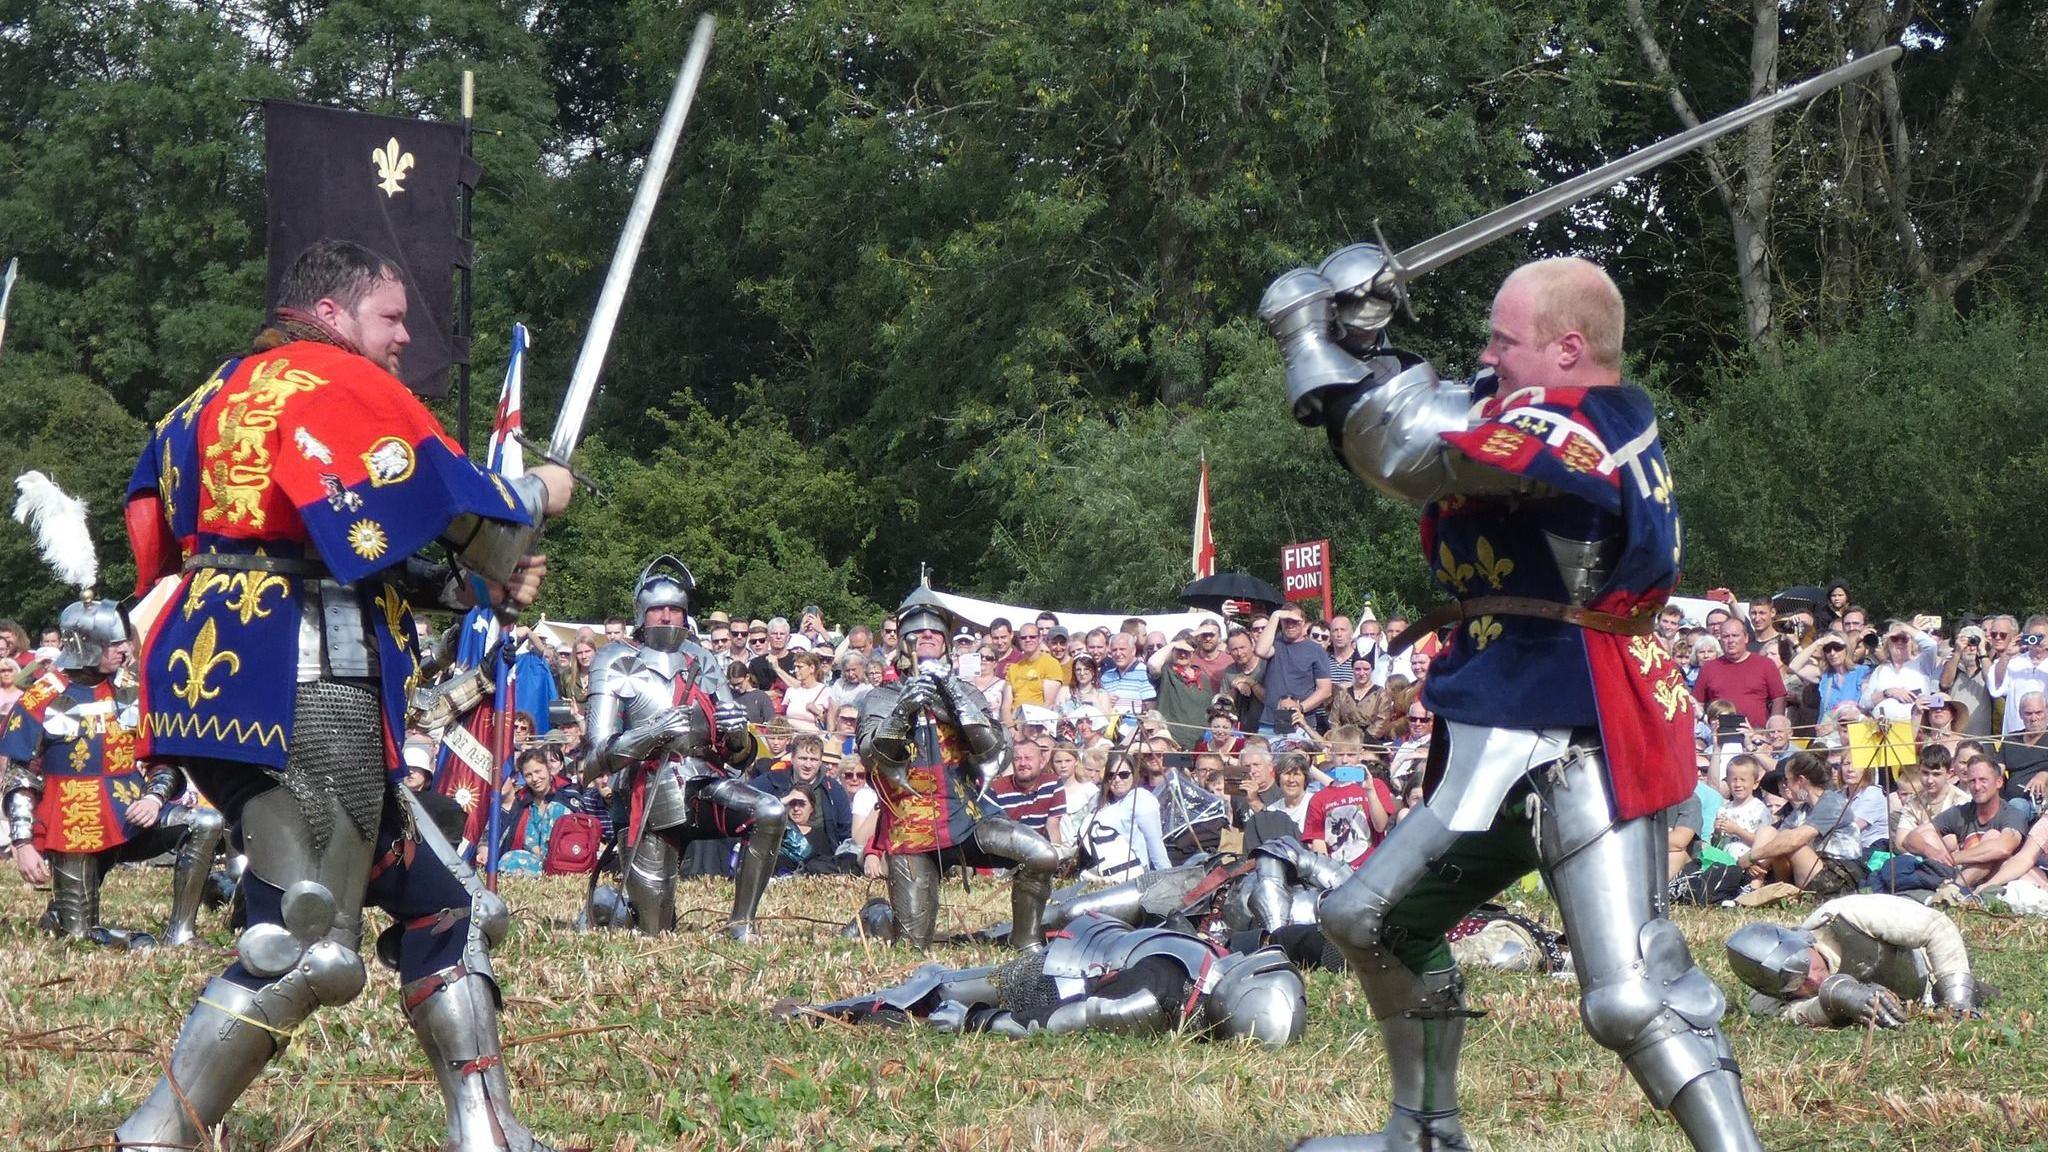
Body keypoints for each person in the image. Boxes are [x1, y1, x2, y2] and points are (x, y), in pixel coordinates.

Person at [1261, 255, 1759, 1150]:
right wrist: (1362, 332)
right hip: (1498, 723)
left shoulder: (1589, 429)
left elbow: (1415, 452)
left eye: (1504, 336)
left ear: (1569, 349)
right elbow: (1441, 406)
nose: (1486, 352)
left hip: (1581, 726)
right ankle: (1424, 1132)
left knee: (1629, 993)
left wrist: (1307, 338)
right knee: (1365, 917)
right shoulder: (1540, 407)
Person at [115, 240, 575, 1152]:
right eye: (392, 316)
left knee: (444, 903)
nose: (407, 337)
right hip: (303, 676)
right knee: (305, 942)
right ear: (331, 312)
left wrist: (469, 587)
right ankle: (157, 1133)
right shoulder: (329, 379)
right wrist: (537, 492)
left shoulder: (207, 396)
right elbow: (446, 493)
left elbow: (309, 539)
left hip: (219, 665)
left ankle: (487, 1132)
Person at [2, 573, 224, 947]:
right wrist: (23, 843)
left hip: (131, 812)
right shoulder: (42, 697)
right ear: (86, 644)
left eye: (124, 641)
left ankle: (181, 933)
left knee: (206, 820)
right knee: (79, 937)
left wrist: (154, 798)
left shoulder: (131, 691)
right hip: (75, 824)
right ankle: (69, 917)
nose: (125, 649)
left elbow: (162, 762)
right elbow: (21, 777)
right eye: (114, 643)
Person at [582, 557, 776, 939]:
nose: (668, 617)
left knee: (769, 811)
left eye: (676, 610)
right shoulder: (614, 660)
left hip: (702, 783)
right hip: (644, 793)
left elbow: (735, 754)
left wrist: (738, 734)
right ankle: (606, 903)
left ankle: (741, 924)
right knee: (654, 928)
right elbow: (595, 757)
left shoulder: (703, 660)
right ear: (642, 613)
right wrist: (652, 733)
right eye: (659, 610)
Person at [856, 588, 1060, 951]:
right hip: (911, 827)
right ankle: (875, 915)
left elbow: (997, 752)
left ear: (948, 642)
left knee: (1042, 855)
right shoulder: (882, 697)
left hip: (967, 817)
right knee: (911, 947)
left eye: (936, 631)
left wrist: (954, 699)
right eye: (917, 632)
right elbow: (872, 755)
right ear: (903, 642)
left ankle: (1026, 942)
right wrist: (903, 711)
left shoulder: (967, 691)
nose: (928, 635)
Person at [804, 912, 1304, 1045]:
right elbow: (1085, 1011)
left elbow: (1078, 1015)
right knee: (944, 982)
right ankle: (847, 1002)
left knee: (944, 987)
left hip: (1074, 971)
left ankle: (836, 1012)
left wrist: (976, 1022)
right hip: (1082, 956)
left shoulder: (1158, 995)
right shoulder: (1186, 985)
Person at [1726, 894, 1978, 1028]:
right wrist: (1835, 996)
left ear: (1803, 941)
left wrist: (1956, 1002)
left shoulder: (1848, 914)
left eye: (1804, 964)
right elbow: (1792, 1015)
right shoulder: (1763, 997)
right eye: (1794, 984)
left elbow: (1937, 927)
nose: (1813, 979)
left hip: (1928, 982)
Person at [1900, 754, 2026, 889]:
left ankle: (1954, 888)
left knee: (1992, 838)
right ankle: (1952, 888)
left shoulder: (2012, 814)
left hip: (1997, 878)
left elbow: (2003, 848)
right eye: (1972, 781)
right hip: (1961, 872)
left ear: (1999, 782)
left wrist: (1952, 858)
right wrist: (1932, 852)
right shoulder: (1961, 812)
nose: (1977, 787)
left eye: (1983, 780)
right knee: (1929, 835)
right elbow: (1910, 839)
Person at [1077, 751, 1172, 882]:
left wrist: (1168, 880)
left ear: (1134, 774)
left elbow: (1155, 844)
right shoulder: (1097, 800)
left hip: (1134, 878)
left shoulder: (1141, 799)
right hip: (1097, 877)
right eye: (1112, 775)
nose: (1117, 780)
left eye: (1124, 775)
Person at [1254, 606, 1332, 734]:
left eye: (1295, 621)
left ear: (1303, 622)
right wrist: (1275, 615)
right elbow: (1261, 650)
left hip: (1301, 723)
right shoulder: (1275, 643)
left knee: (1299, 754)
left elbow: (1325, 690)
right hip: (1270, 721)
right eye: (1286, 621)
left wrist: (1300, 707)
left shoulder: (1316, 650)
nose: (1290, 625)